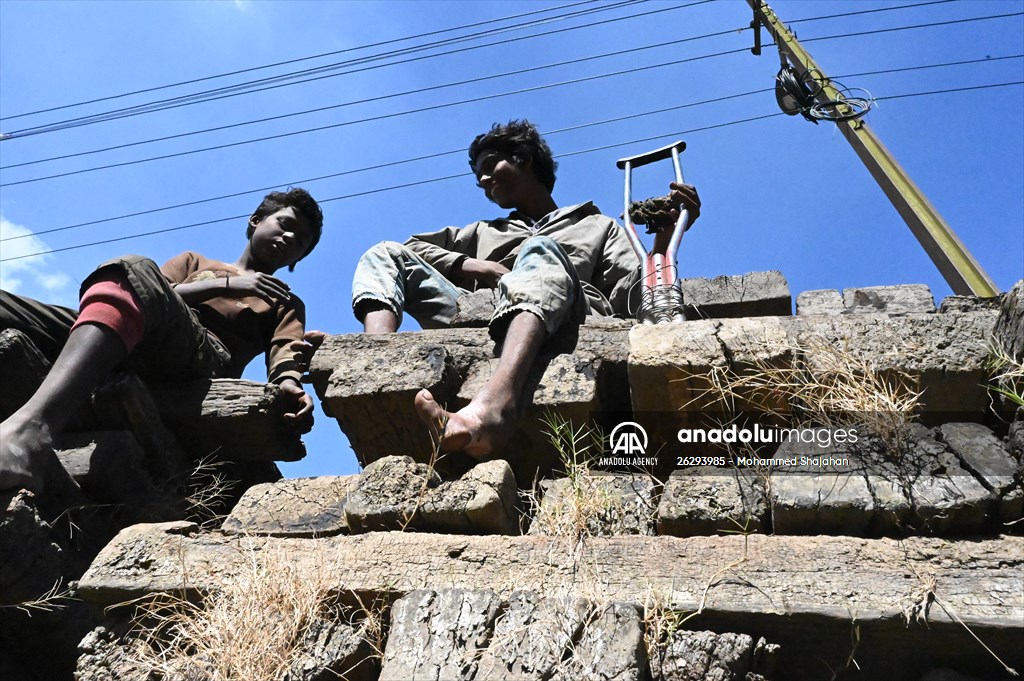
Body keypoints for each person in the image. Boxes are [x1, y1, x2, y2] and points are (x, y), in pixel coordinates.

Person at [345, 120, 700, 459]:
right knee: (383, 252)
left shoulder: (596, 225)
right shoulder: (484, 231)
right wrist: (476, 265)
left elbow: (630, 299)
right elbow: (412, 247)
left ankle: (493, 409)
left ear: (522, 158)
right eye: (478, 176)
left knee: (540, 249)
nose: (483, 181)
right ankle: (379, 357)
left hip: (565, 315)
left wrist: (663, 240)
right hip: (484, 311)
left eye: (488, 166)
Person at [0, 187, 324, 494]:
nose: (291, 237)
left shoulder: (285, 303)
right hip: (135, 329)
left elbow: (286, 352)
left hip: (203, 361)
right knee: (11, 307)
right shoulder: (194, 262)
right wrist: (227, 285)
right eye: (286, 224)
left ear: (298, 259)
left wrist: (290, 385)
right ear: (255, 221)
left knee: (135, 267)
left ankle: (31, 431)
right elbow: (152, 291)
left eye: (302, 241)